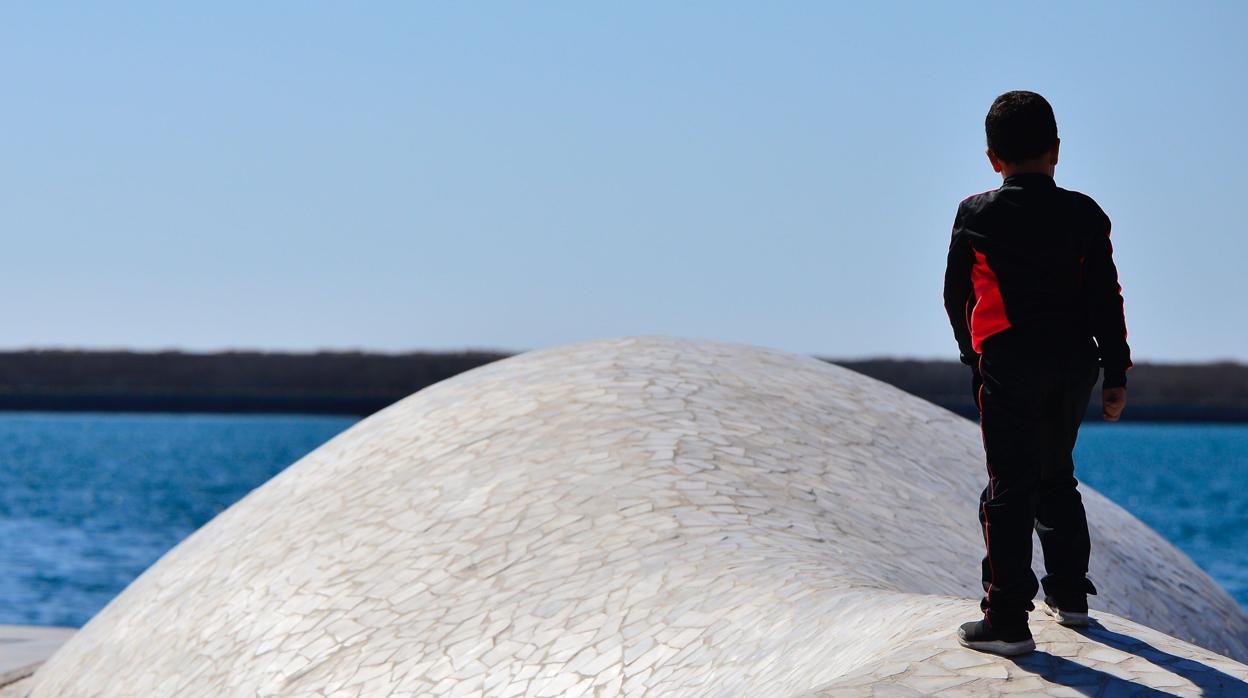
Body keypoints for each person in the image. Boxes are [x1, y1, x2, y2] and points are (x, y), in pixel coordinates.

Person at [943, 90, 1132, 656]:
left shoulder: (977, 214)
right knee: (1057, 474)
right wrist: (1116, 370)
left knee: (1008, 486)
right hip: (1076, 365)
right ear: (1056, 151)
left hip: (1008, 362)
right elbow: (1106, 296)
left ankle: (1006, 620)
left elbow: (956, 297)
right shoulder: (1084, 213)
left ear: (992, 159)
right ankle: (1070, 597)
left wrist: (971, 356)